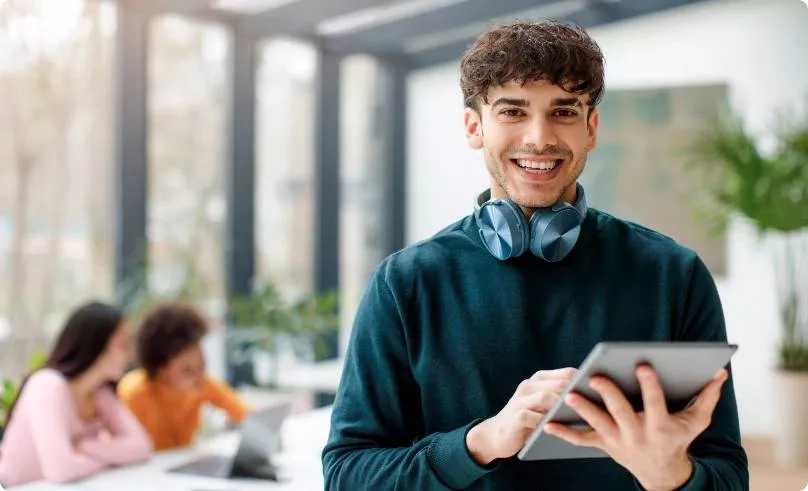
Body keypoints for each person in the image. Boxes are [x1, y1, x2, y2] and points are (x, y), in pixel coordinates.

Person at [322, 20, 748, 490]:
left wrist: (670, 475)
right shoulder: (405, 282)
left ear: (591, 128)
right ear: (473, 126)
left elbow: (728, 475)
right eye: (512, 111)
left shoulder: (674, 274)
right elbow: (347, 475)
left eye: (563, 112)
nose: (539, 138)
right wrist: (480, 442)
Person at [0, 302, 153, 487]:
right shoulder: (47, 385)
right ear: (96, 346)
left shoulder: (100, 394)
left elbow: (142, 446)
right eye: (123, 345)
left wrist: (85, 447)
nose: (129, 355)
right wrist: (112, 458)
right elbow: (61, 470)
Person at [117, 303, 250, 450]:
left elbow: (247, 416)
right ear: (162, 370)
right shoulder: (133, 394)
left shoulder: (205, 384)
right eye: (187, 371)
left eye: (202, 365)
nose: (199, 377)